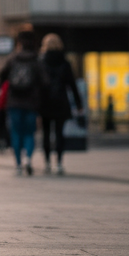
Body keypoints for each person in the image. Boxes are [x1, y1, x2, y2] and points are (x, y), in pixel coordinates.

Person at [0, 30, 47, 176]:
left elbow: (1, 76)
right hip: (31, 103)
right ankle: (28, 159)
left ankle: (18, 164)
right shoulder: (37, 60)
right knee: (29, 133)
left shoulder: (13, 59)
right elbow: (45, 82)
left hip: (14, 103)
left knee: (16, 133)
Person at [38, 33, 82, 175]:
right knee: (59, 134)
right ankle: (59, 163)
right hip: (61, 101)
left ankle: (47, 163)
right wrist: (78, 103)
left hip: (45, 102)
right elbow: (72, 85)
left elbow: (37, 85)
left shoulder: (41, 61)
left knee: (45, 133)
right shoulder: (65, 62)